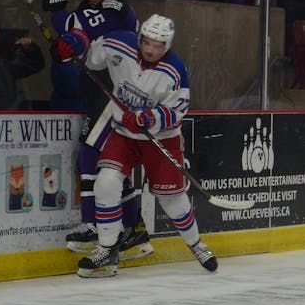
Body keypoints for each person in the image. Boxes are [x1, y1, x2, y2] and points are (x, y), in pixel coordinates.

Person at [51, 14, 217, 278]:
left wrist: (149, 117)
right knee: (106, 182)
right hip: (123, 134)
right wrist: (76, 43)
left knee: (171, 199)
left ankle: (197, 244)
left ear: (168, 45)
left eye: (158, 45)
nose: (151, 49)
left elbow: (178, 110)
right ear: (140, 37)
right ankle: (107, 249)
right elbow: (91, 56)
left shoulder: (175, 70)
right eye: (147, 42)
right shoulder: (119, 43)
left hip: (161, 138)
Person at [39, 0, 151, 262]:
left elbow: (90, 31)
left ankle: (92, 225)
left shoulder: (116, 7)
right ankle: (133, 229)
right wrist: (60, 20)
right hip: (102, 96)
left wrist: (68, 32)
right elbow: (75, 32)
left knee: (89, 156)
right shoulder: (86, 11)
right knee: (113, 167)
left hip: (113, 96)